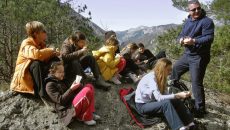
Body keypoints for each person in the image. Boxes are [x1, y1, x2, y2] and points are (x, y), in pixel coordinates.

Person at [170, 0, 215, 118]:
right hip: (188, 54)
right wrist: (180, 39)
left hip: (199, 57)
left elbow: (209, 37)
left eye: (198, 8)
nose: (196, 11)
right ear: (189, 11)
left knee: (196, 83)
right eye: (193, 9)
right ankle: (174, 90)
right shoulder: (188, 21)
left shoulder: (207, 21)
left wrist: (193, 41)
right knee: (175, 69)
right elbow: (181, 34)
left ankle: (200, 110)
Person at [135, 58, 195, 130]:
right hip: (143, 106)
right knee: (166, 103)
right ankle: (179, 128)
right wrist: (178, 95)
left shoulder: (161, 77)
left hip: (153, 102)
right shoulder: (152, 78)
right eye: (168, 69)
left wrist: (178, 96)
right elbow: (159, 98)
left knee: (176, 101)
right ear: (162, 69)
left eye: (171, 69)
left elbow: (165, 94)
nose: (170, 72)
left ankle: (190, 124)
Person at [10, 21, 60, 97]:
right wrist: (51, 50)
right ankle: (42, 94)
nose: (45, 33)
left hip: (32, 76)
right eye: (43, 31)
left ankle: (56, 84)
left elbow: (43, 58)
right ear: (36, 34)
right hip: (23, 79)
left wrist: (53, 54)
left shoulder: (40, 44)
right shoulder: (26, 43)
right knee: (36, 63)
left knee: (54, 58)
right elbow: (36, 55)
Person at [45, 61, 100, 126]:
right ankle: (84, 117)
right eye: (60, 72)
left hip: (72, 102)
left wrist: (78, 86)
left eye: (63, 72)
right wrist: (71, 89)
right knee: (87, 90)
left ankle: (89, 113)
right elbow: (61, 101)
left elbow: (72, 91)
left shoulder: (61, 80)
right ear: (53, 72)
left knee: (89, 86)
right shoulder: (49, 85)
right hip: (68, 110)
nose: (62, 74)